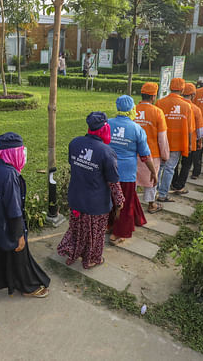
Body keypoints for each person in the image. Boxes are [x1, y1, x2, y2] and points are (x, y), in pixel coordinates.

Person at [0, 132, 50, 299]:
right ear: (13, 153)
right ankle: (27, 287)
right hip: (6, 223)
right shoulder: (10, 175)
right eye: (20, 151)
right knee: (19, 254)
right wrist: (19, 234)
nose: (23, 155)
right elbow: (14, 209)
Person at [57, 112, 123, 269]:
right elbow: (113, 181)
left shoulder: (75, 143)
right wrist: (119, 201)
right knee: (95, 233)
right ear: (105, 129)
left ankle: (74, 252)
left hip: (76, 198)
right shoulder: (107, 152)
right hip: (96, 203)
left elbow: (73, 164)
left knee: (77, 228)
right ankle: (91, 259)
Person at [108, 96, 156, 246]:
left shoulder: (107, 124)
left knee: (110, 199)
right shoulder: (137, 129)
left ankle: (108, 225)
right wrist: (153, 172)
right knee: (125, 202)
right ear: (132, 109)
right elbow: (145, 155)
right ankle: (119, 233)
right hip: (126, 174)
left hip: (108, 170)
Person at [134, 83, 169, 212]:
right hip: (151, 153)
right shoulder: (158, 112)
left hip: (133, 152)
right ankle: (151, 204)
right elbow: (162, 138)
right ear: (153, 96)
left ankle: (131, 202)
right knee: (152, 179)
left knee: (133, 179)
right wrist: (165, 155)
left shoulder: (133, 109)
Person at [155, 78, 191, 200]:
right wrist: (190, 144)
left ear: (170, 87)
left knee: (159, 167)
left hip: (161, 141)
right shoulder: (187, 106)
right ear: (182, 89)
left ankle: (154, 192)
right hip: (178, 142)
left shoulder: (160, 103)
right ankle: (163, 194)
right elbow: (190, 129)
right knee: (170, 168)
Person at [171, 83, 203, 190]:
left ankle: (173, 182)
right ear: (193, 95)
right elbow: (199, 130)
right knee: (186, 164)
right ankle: (180, 185)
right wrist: (200, 142)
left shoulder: (175, 105)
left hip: (174, 140)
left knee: (174, 163)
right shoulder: (195, 109)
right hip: (190, 142)